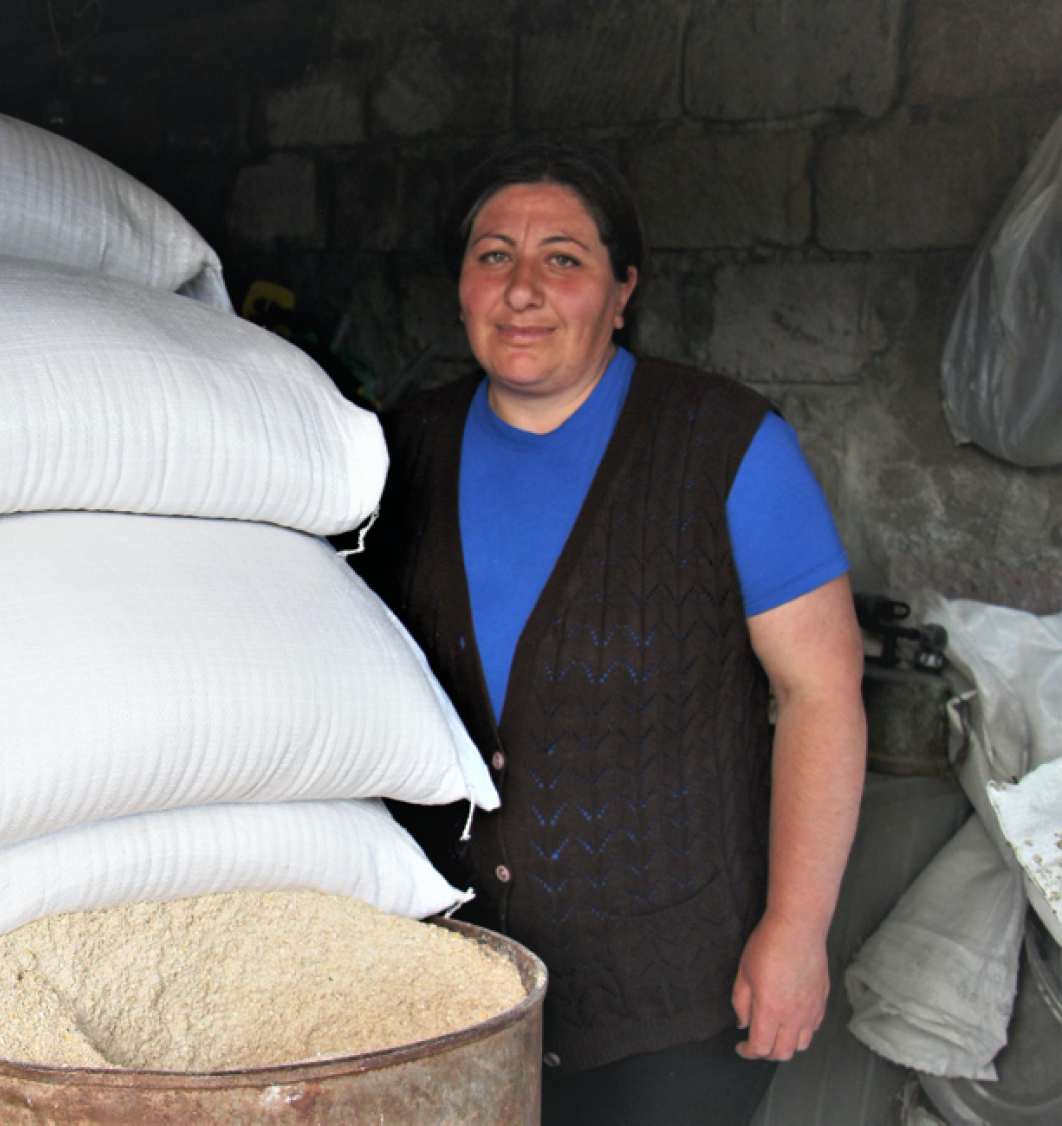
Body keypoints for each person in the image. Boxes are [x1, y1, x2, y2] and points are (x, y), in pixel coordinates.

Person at [353, 138, 867, 1125]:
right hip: (446, 986)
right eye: (492, 255)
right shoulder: (395, 450)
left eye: (563, 258)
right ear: (459, 285)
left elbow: (820, 694)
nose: (522, 289)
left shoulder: (725, 446)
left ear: (621, 289)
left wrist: (794, 930)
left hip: (671, 996)